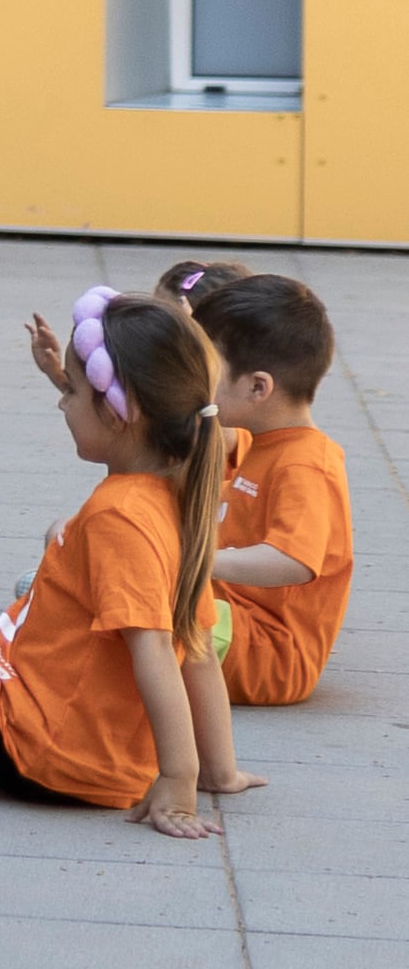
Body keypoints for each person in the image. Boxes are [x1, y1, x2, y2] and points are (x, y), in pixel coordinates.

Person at [0, 289, 256, 835]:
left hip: (45, 750)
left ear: (122, 414)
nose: (61, 403)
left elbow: (159, 649)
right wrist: (220, 770)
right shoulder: (172, 491)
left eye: (70, 391)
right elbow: (199, 647)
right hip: (43, 698)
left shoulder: (121, 518)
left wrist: (180, 782)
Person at [193, 274, 352, 707]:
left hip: (269, 654)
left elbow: (291, 561)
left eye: (205, 369)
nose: (194, 380)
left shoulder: (307, 463)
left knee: (145, 609)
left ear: (258, 387)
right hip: (230, 618)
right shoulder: (255, 438)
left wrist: (197, 561)